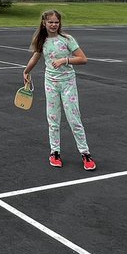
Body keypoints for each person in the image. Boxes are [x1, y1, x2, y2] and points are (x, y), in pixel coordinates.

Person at [22, 9, 95, 170]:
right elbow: (35, 57)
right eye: (50, 22)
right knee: (53, 119)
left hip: (68, 83)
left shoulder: (67, 39)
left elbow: (83, 59)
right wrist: (26, 71)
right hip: (51, 84)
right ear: (44, 23)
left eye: (56, 22)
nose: (54, 25)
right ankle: (55, 152)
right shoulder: (42, 41)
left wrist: (65, 60)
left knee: (74, 119)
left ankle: (85, 153)